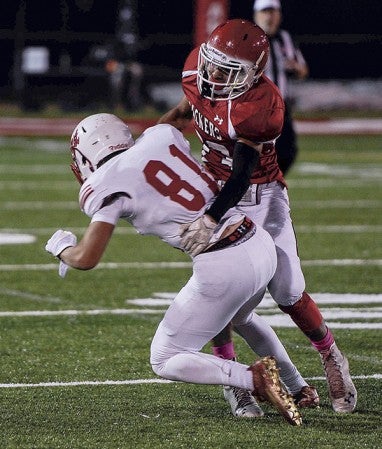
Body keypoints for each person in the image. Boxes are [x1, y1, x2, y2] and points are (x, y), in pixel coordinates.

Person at [44, 112, 307, 425]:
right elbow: (177, 116)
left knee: (164, 357)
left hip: (224, 263)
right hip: (257, 241)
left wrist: (62, 250)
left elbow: (87, 258)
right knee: (242, 316)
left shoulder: (106, 184)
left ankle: (253, 379)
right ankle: (298, 385)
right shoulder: (159, 136)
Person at [157, 19, 357, 415]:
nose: (213, 75)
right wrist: (149, 144)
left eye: (227, 72)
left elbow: (242, 175)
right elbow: (184, 110)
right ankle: (233, 377)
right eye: (212, 65)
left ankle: (332, 356)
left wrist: (210, 219)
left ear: (252, 75)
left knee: (287, 290)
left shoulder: (261, 106)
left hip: (260, 195)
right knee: (222, 289)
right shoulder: (197, 67)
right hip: (213, 191)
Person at [253, 0, 309, 175]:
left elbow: (303, 71)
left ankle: (269, 185)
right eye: (265, 12)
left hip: (281, 107)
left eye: (273, 12)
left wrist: (296, 68)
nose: (270, 16)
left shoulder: (286, 39)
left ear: (279, 15)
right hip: (255, 108)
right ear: (256, 15)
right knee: (252, 155)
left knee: (287, 153)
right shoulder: (249, 38)